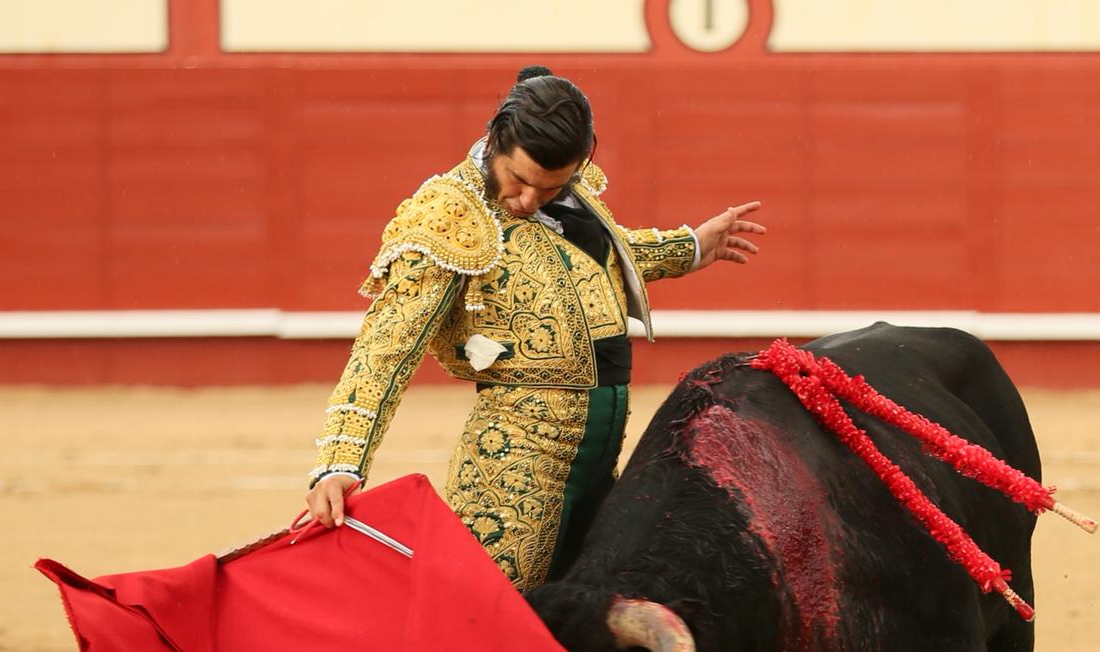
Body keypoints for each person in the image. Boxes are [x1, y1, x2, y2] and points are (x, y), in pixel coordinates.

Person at [305, 65, 765, 590]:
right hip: (517, 466)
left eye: (549, 188)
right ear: (496, 139)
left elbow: (587, 265)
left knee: (586, 612)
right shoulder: (445, 216)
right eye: (520, 181)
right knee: (489, 612)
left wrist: (690, 247)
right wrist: (339, 461)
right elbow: (385, 346)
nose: (529, 201)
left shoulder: (569, 197)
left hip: (599, 453)